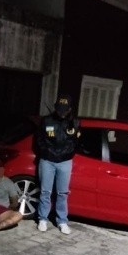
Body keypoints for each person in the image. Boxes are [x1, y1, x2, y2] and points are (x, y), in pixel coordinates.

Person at [36, 94, 80, 235]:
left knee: (62, 193)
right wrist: (49, 153)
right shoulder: (46, 120)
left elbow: (75, 143)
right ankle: (43, 219)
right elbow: (39, 140)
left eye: (64, 110)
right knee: (45, 191)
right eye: (59, 109)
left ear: (70, 109)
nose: (62, 112)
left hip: (65, 161)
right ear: (56, 108)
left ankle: (62, 221)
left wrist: (63, 155)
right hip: (47, 160)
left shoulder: (75, 122)